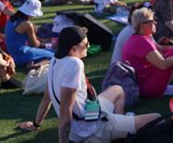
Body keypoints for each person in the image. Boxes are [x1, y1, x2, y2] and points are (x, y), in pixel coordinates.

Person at [19, 26, 160, 142]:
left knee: (118, 90)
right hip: (91, 129)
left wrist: (36, 124)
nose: (89, 46)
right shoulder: (75, 64)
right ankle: (115, 129)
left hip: (90, 111)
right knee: (157, 118)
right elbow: (65, 112)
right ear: (73, 49)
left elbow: (46, 99)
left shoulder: (55, 59)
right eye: (86, 44)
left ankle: (119, 129)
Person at [122, 8, 173, 98]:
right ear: (143, 25)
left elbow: (162, 48)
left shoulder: (141, 37)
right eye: (152, 20)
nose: (155, 22)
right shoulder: (142, 42)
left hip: (142, 83)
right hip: (147, 87)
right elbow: (163, 64)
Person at [4, 0, 53, 67]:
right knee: (54, 55)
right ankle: (36, 64)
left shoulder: (12, 18)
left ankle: (31, 61)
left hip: (13, 54)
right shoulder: (27, 25)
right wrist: (47, 45)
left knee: (44, 52)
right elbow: (35, 44)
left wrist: (43, 40)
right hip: (22, 54)